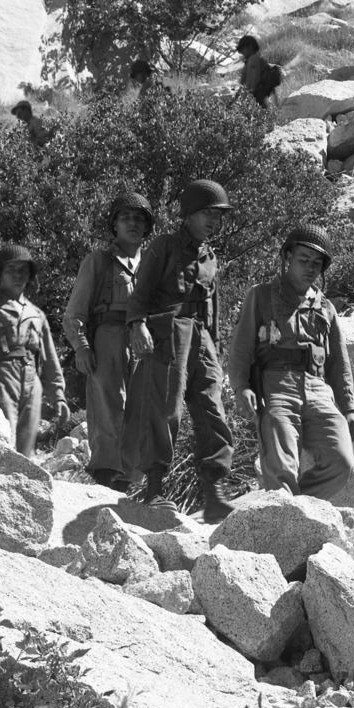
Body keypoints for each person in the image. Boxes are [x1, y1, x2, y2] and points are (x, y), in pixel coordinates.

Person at [122, 179, 235, 524]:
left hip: (202, 339)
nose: (214, 220)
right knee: (166, 409)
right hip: (169, 332)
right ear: (188, 215)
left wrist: (216, 351)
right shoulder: (165, 246)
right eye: (206, 213)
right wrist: (137, 325)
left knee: (212, 409)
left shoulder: (211, 257)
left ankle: (214, 491)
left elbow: (213, 307)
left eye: (218, 215)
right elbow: (140, 292)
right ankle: (155, 489)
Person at [228, 224, 354, 500]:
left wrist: (348, 408)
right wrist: (241, 387)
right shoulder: (261, 295)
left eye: (317, 263)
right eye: (304, 260)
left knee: (342, 463)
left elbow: (339, 364)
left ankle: (296, 505)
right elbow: (240, 348)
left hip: (318, 389)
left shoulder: (326, 308)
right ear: (288, 257)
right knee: (282, 467)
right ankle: (284, 513)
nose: (311, 268)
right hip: (277, 386)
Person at [62, 191, 152, 489]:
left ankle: (128, 484)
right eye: (125, 217)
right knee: (107, 411)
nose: (133, 223)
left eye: (139, 218)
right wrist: (82, 346)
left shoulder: (153, 267)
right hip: (108, 340)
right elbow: (75, 311)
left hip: (145, 347)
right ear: (114, 225)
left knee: (139, 415)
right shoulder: (99, 261)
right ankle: (104, 478)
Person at [0, 244, 68, 459]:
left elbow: (50, 360)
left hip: (31, 379)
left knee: (27, 441)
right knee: (2, 437)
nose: (18, 275)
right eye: (11, 269)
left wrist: (58, 397)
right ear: (0, 274)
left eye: (23, 270)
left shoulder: (37, 315)